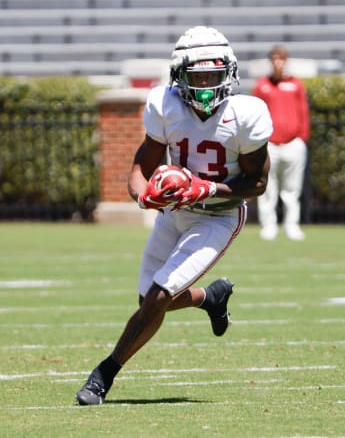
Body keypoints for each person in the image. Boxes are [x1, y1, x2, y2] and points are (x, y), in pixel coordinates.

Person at [75, 26, 272, 406]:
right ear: (180, 76)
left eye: (212, 75)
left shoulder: (245, 114)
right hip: (176, 212)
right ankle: (210, 298)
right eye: (196, 76)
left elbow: (258, 183)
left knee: (159, 295)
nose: (204, 85)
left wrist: (209, 188)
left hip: (219, 216)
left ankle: (104, 374)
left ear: (228, 74)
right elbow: (141, 167)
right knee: (146, 299)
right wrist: (143, 196)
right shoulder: (165, 105)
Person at [251, 45, 310, 241]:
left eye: (281, 58)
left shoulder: (295, 84)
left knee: (292, 188)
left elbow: (303, 111)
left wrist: (302, 137)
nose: (278, 62)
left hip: (293, 143)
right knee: (268, 187)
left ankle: (292, 224)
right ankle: (269, 225)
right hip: (269, 144)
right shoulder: (262, 85)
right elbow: (254, 113)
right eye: (275, 58)